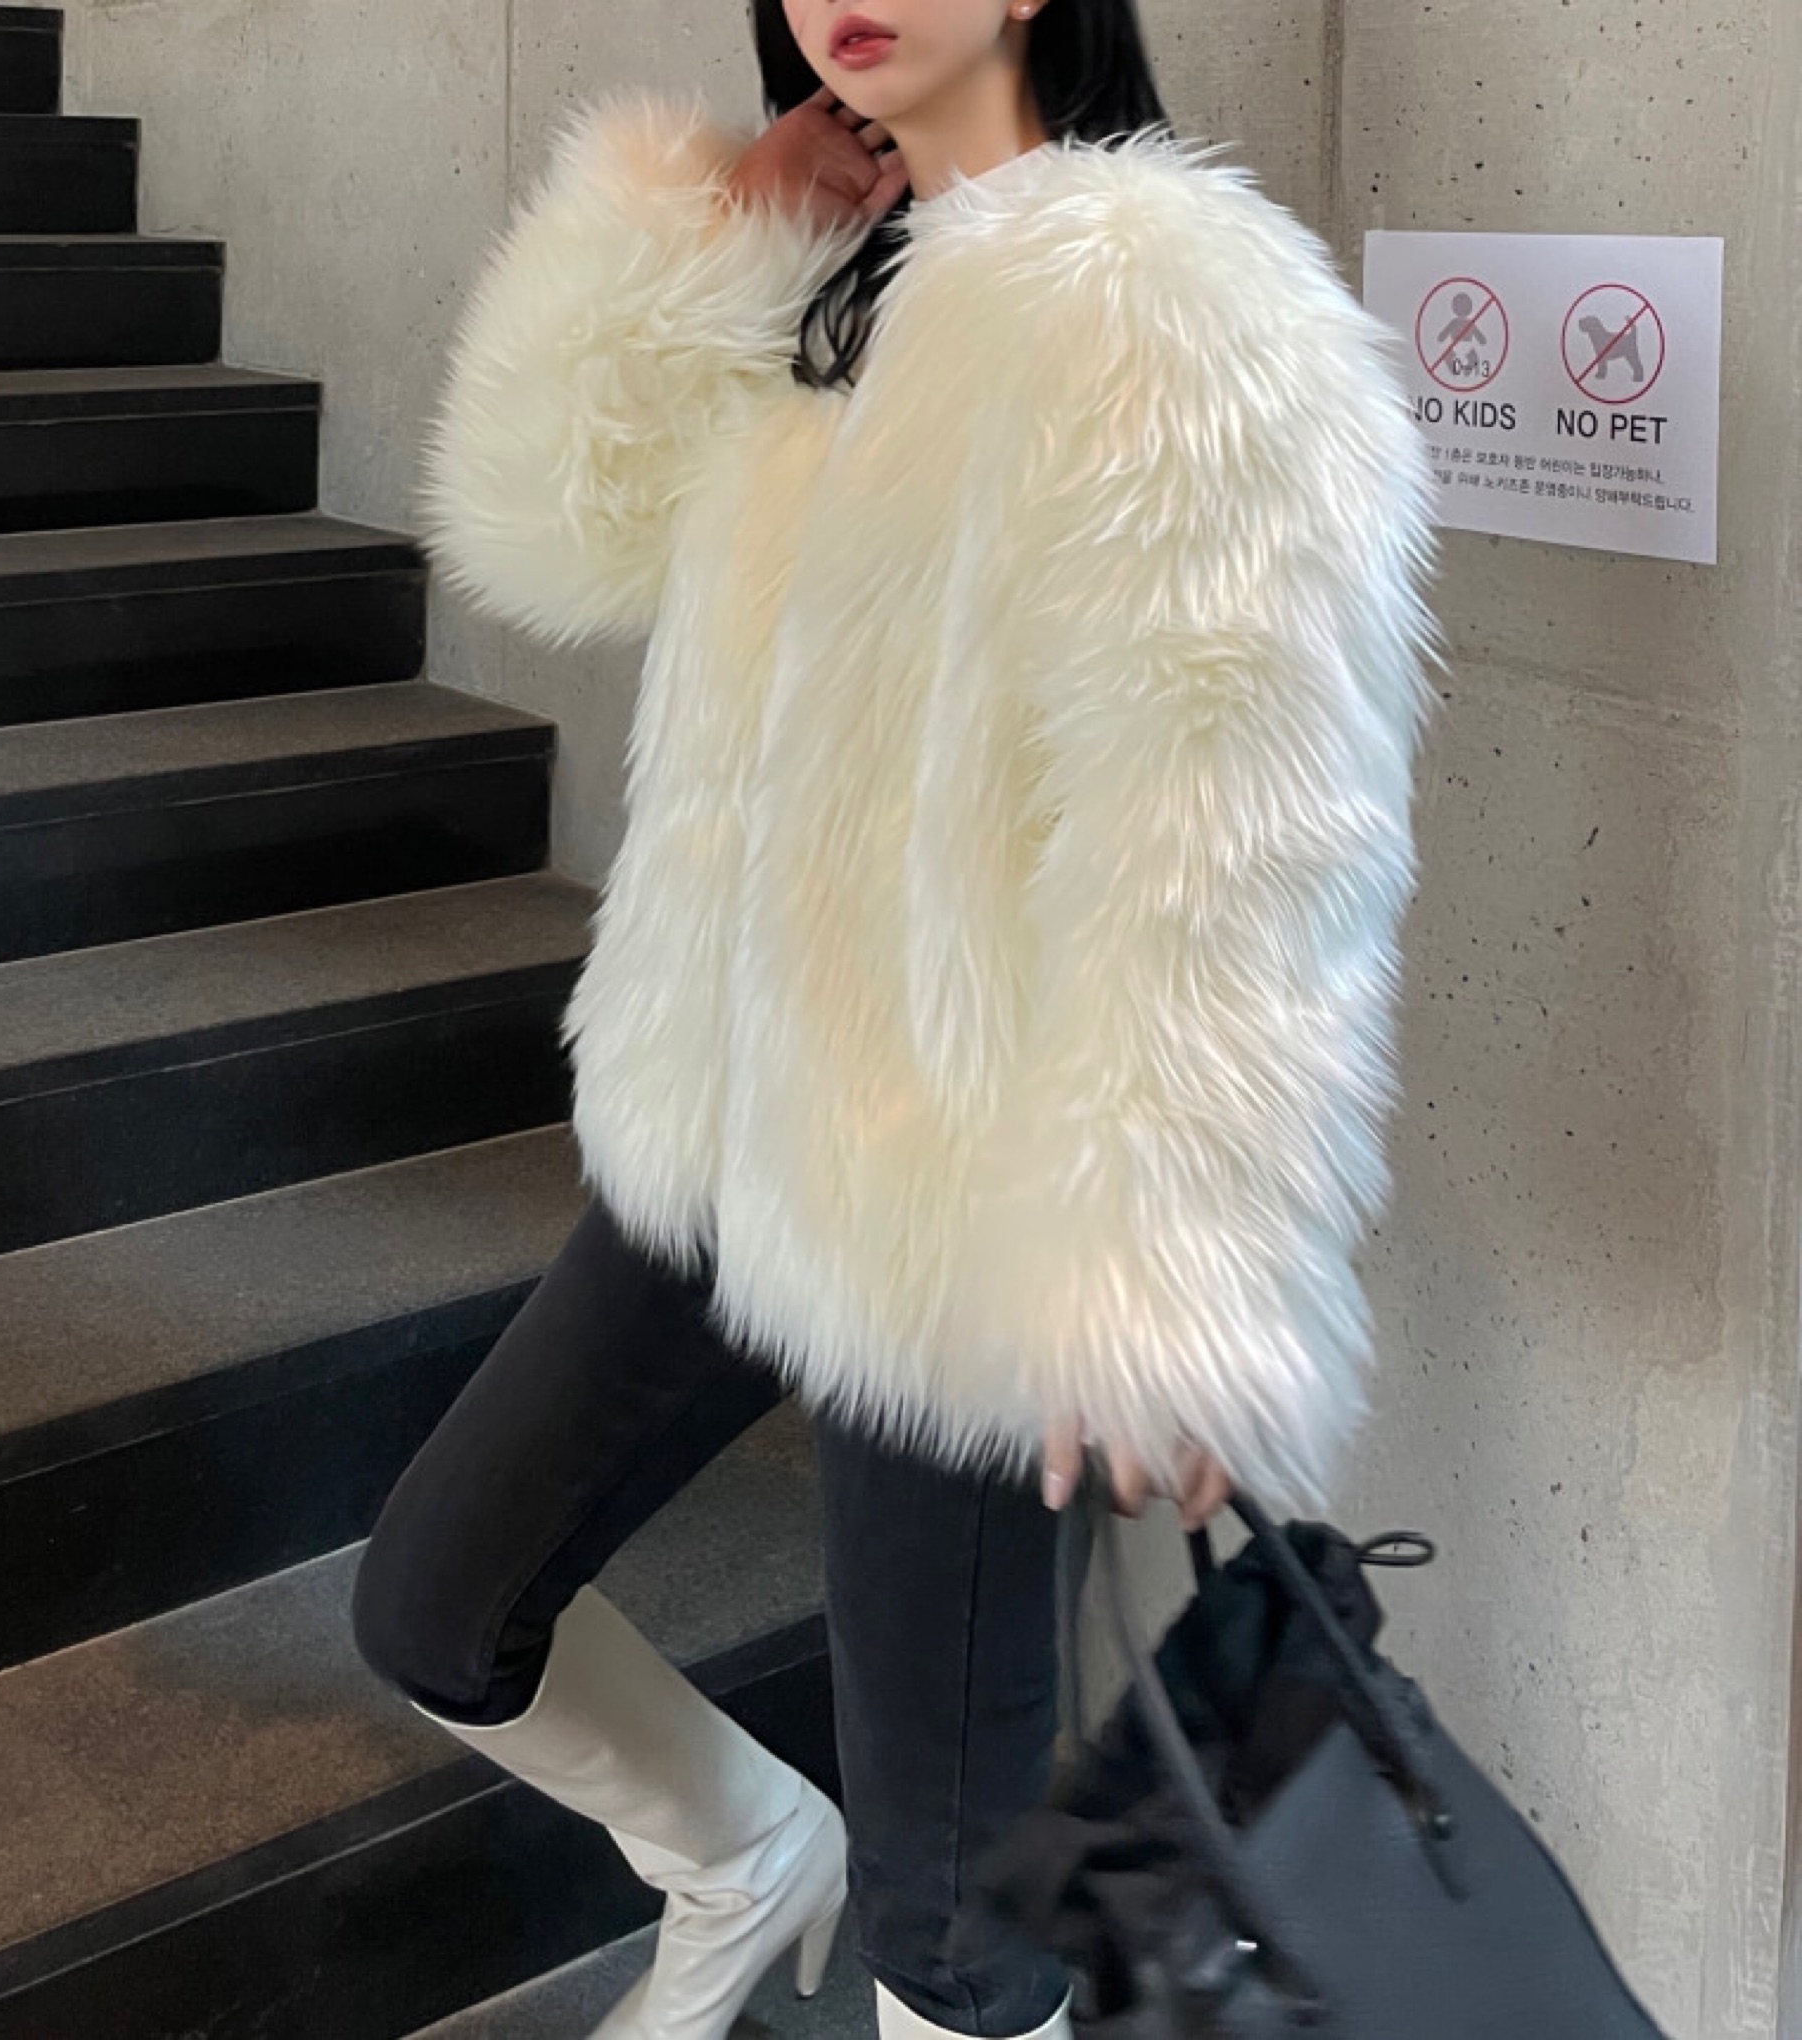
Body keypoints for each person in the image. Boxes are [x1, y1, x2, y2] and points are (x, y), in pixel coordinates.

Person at [352, 1, 1443, 2034]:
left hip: (955, 1206)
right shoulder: (833, 286)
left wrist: (1158, 1263)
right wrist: (711, 238)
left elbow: (1236, 816)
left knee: (953, 1926)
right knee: (436, 1605)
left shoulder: (1168, 296)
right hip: (721, 1123)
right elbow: (545, 538)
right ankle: (742, 1860)